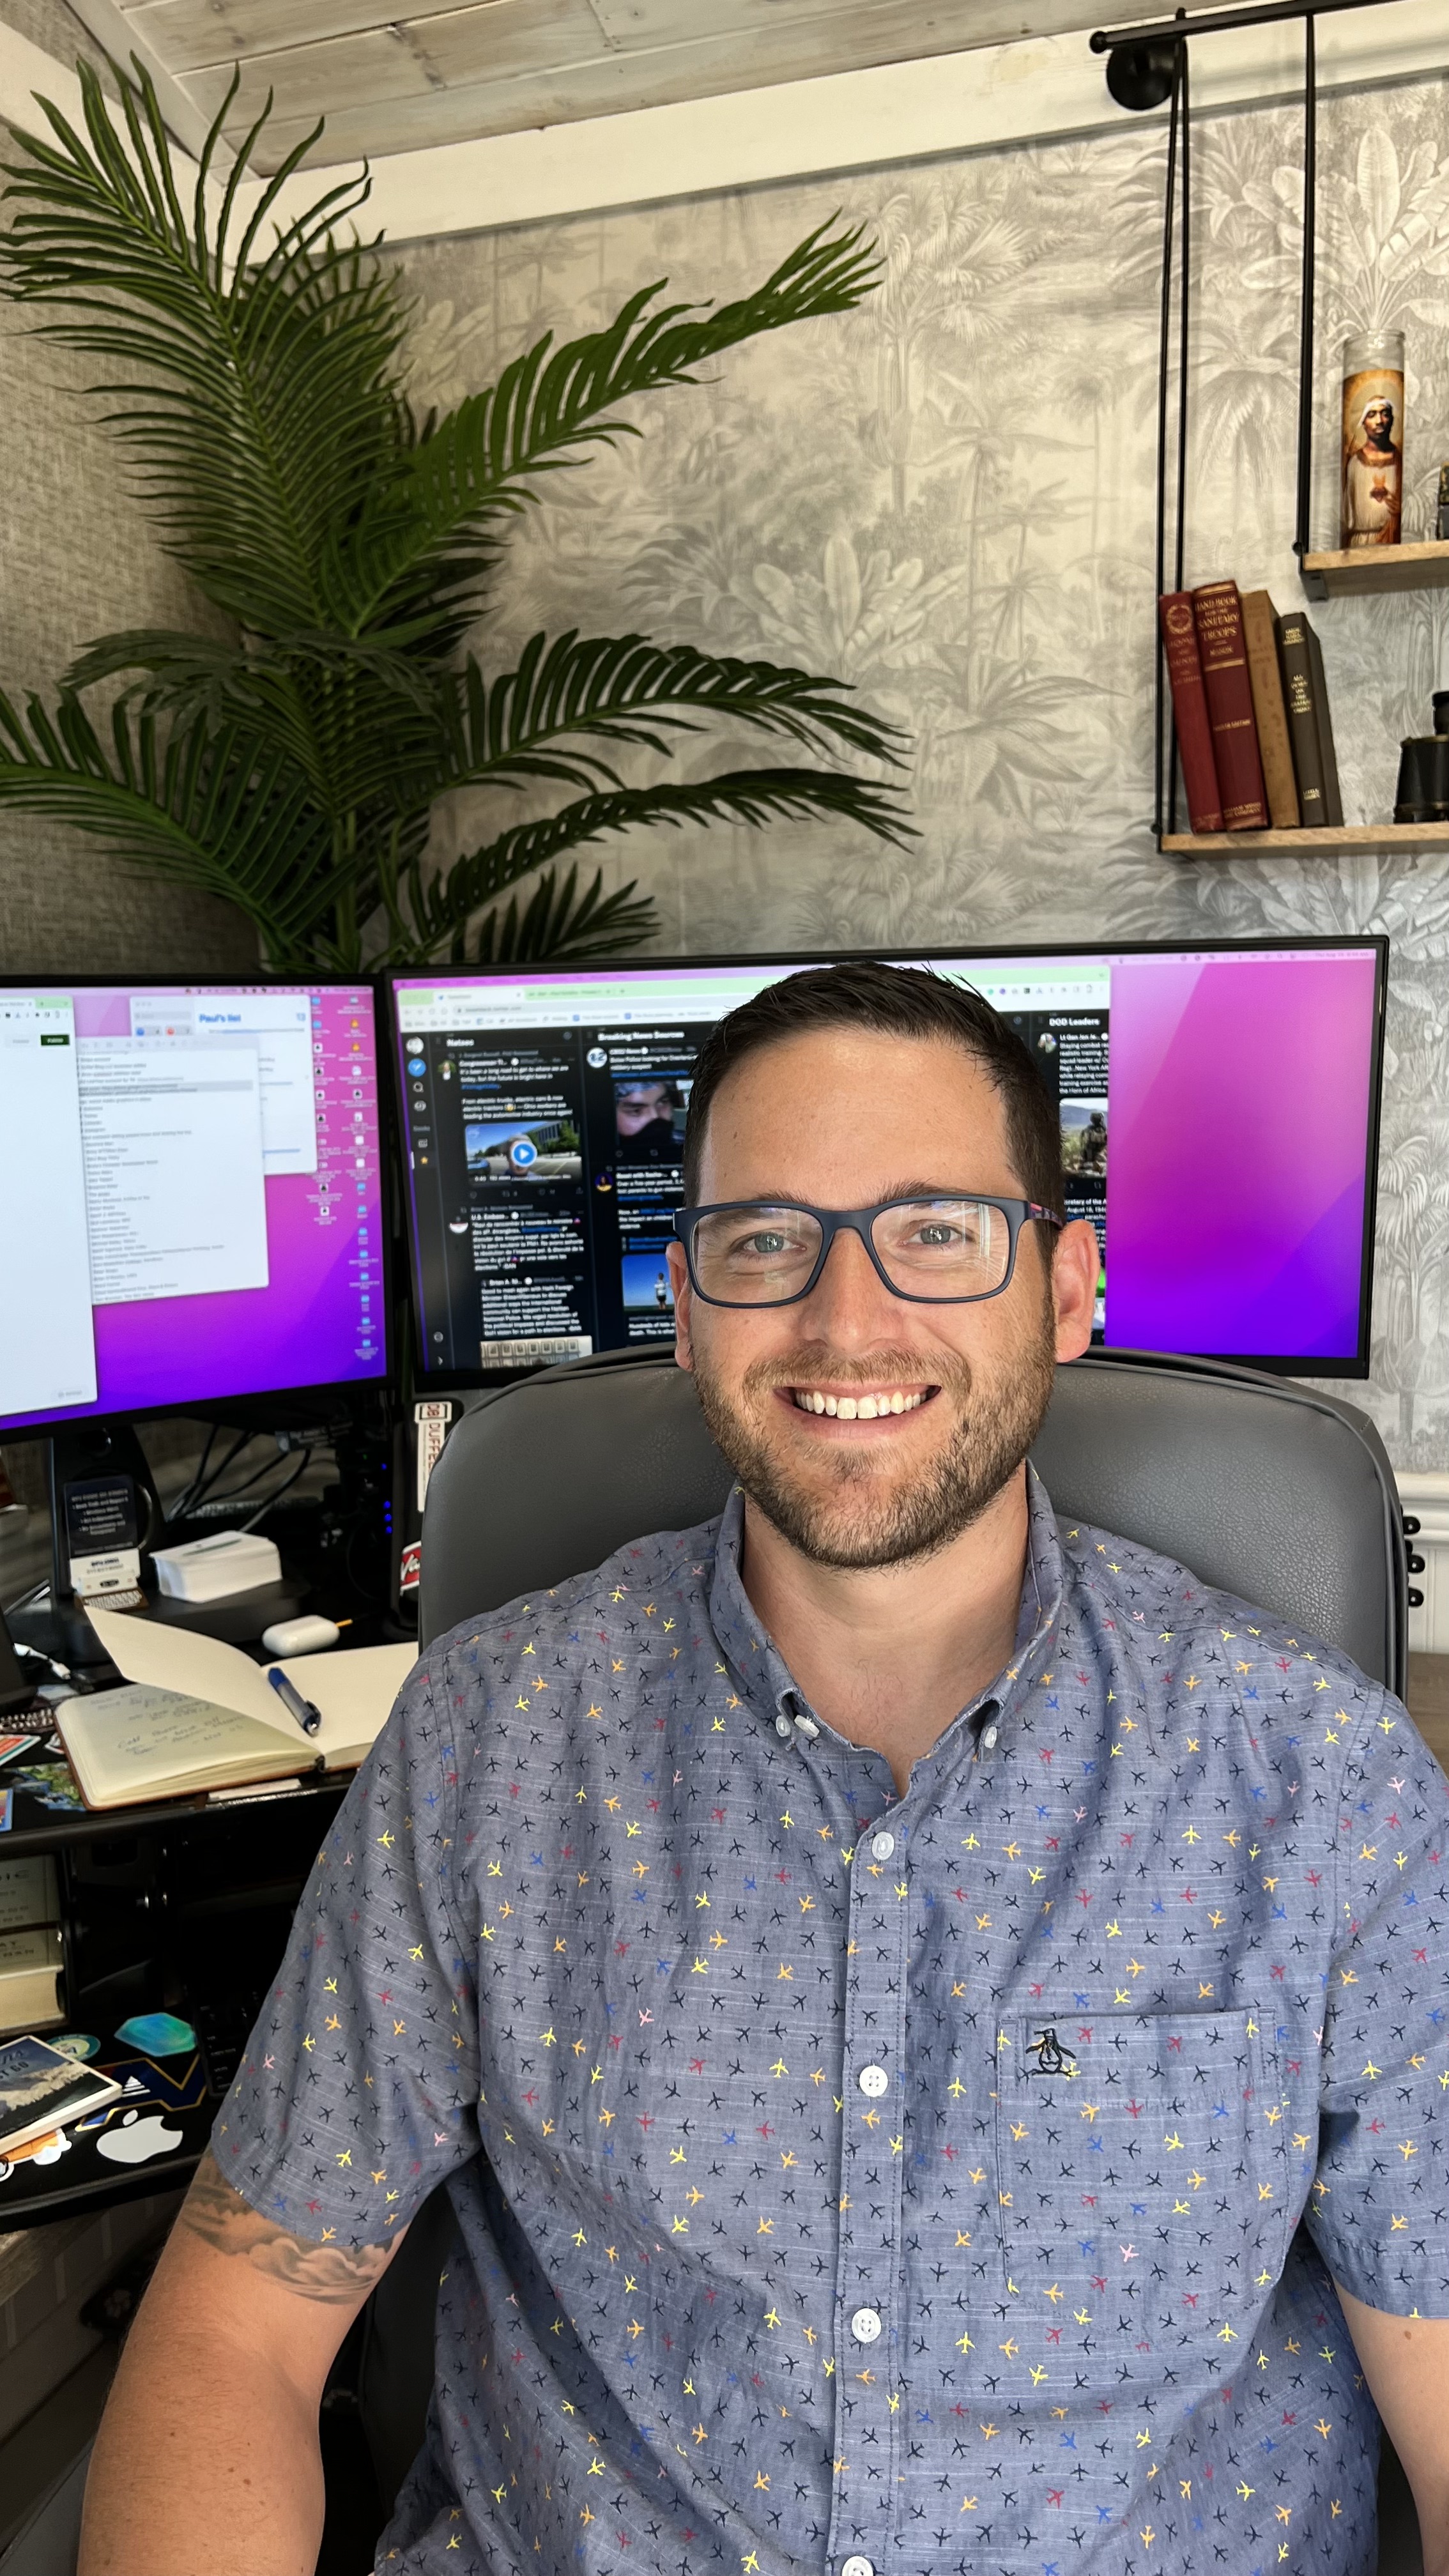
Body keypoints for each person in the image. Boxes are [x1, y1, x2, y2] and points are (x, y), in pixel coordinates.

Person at [80, 962, 1449, 2576]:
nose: (847, 1322)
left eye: (938, 1230)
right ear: (683, 1308)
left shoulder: (1321, 1782)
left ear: (1068, 1289)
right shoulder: (486, 1743)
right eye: (763, 1241)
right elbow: (237, 2334)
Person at [1343, 394, 1403, 547]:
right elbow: (1346, 513)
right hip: (1360, 543)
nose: (1379, 421)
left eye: (1385, 414)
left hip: (1393, 542)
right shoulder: (1355, 463)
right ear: (1363, 422)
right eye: (1372, 415)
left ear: (1392, 420)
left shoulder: (1400, 461)